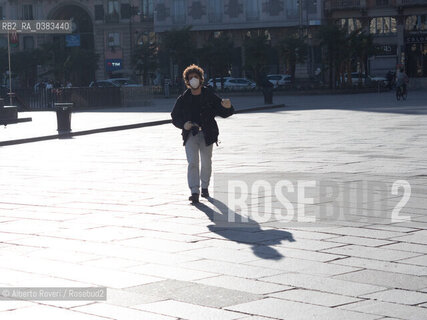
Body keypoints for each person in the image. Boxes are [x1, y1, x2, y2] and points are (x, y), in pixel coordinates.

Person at [171, 64, 234, 204]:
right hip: (190, 134)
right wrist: (184, 125)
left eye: (196, 77)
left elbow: (222, 111)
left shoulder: (209, 95)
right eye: (190, 78)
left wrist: (228, 107)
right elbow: (174, 117)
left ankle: (205, 186)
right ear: (187, 81)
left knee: (206, 162)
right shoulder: (183, 99)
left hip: (207, 133)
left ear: (201, 79)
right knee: (192, 162)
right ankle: (194, 191)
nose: (193, 80)